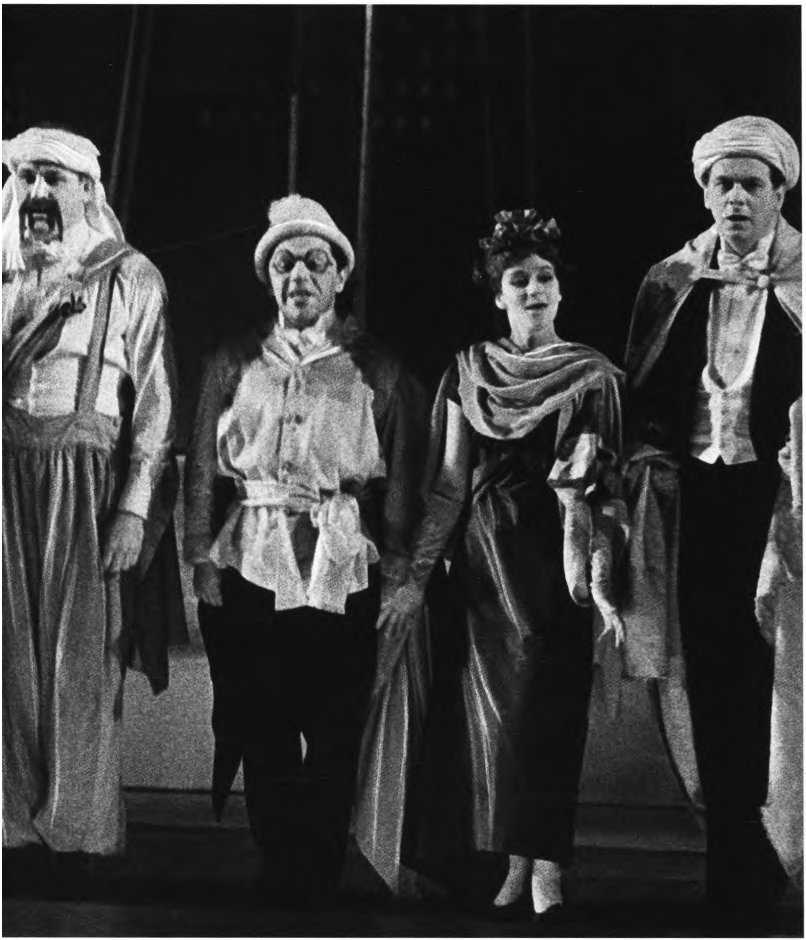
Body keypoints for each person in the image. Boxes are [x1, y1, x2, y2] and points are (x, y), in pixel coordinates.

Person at [377, 210, 626, 922]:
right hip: (484, 569)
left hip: (556, 560)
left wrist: (601, 578)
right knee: (495, 722)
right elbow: (449, 485)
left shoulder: (590, 375)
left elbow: (603, 488)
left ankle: (548, 865)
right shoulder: (470, 370)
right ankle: (512, 863)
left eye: (545, 277)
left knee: (551, 712)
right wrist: (417, 576)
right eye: (519, 279)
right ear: (497, 294)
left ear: (560, 289)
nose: (534, 289)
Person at [184, 194, 426, 907]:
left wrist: (400, 566)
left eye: (315, 263)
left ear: (339, 276)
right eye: (284, 263)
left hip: (340, 562)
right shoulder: (233, 360)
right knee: (261, 719)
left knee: (331, 721)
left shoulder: (376, 366)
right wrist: (200, 554)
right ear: (268, 277)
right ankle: (277, 862)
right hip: (252, 558)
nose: (299, 276)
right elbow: (201, 465)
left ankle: (318, 870)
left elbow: (404, 474)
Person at [623, 115, 801, 922]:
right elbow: (644, 394)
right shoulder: (672, 281)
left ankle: (781, 854)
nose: (736, 198)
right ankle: (732, 867)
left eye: (751, 185)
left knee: (778, 681)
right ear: (703, 193)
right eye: (722, 184)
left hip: (782, 506)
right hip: (698, 502)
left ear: (780, 193)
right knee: (712, 679)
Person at [2, 126, 182, 868]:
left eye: (54, 178)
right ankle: (9, 824)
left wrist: (134, 509)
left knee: (81, 660)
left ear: (86, 189)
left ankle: (77, 827)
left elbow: (158, 403)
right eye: (25, 177)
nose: (38, 192)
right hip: (5, 475)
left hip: (86, 483)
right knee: (5, 658)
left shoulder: (130, 275)